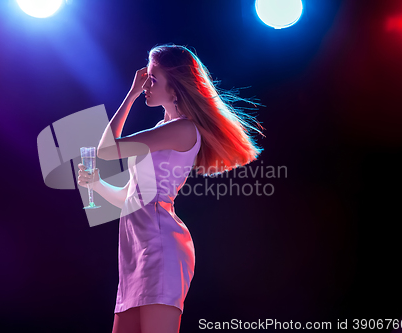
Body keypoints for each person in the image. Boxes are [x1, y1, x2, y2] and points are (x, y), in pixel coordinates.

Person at [77, 44, 264, 333]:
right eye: (145, 79)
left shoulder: (182, 130)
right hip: (135, 255)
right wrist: (97, 185)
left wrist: (131, 94)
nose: (145, 84)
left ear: (174, 88)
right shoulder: (164, 128)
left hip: (160, 249)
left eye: (152, 79)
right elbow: (131, 198)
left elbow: (105, 150)